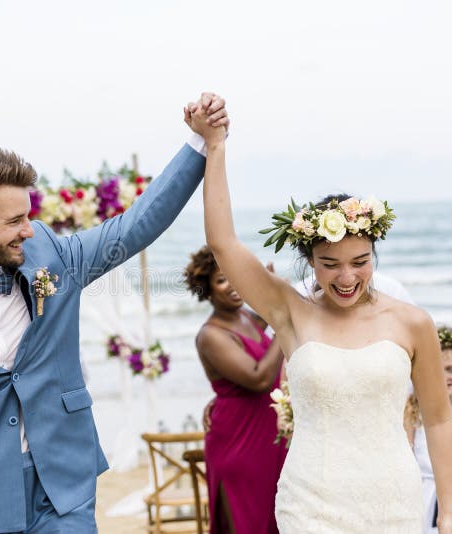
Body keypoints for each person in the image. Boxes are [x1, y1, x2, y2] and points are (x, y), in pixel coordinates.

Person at [0, 92, 229, 534]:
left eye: (29, 216)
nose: (29, 229)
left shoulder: (50, 254)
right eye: (15, 220)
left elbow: (133, 227)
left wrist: (197, 144)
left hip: (63, 489)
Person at [187, 104, 452, 533]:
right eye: (329, 264)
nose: (346, 278)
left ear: (375, 255)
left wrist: (449, 511)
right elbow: (222, 242)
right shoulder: (290, 312)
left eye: (360, 261)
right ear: (310, 258)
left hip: (393, 503)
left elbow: (439, 419)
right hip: (309, 504)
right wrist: (215, 146)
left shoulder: (412, 323)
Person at [185, 246, 286, 533]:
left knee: (273, 517)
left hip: (268, 437)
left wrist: (270, 289)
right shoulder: (211, 335)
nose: (232, 284)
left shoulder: (247, 318)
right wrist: (281, 325)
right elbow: (258, 378)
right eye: (221, 280)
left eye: (235, 275)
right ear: (206, 289)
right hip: (238, 442)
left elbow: (276, 308)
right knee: (245, 521)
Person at [405, 325, 452, 534]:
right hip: (422, 494)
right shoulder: (413, 409)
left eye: (450, 369)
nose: (447, 376)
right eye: (441, 370)